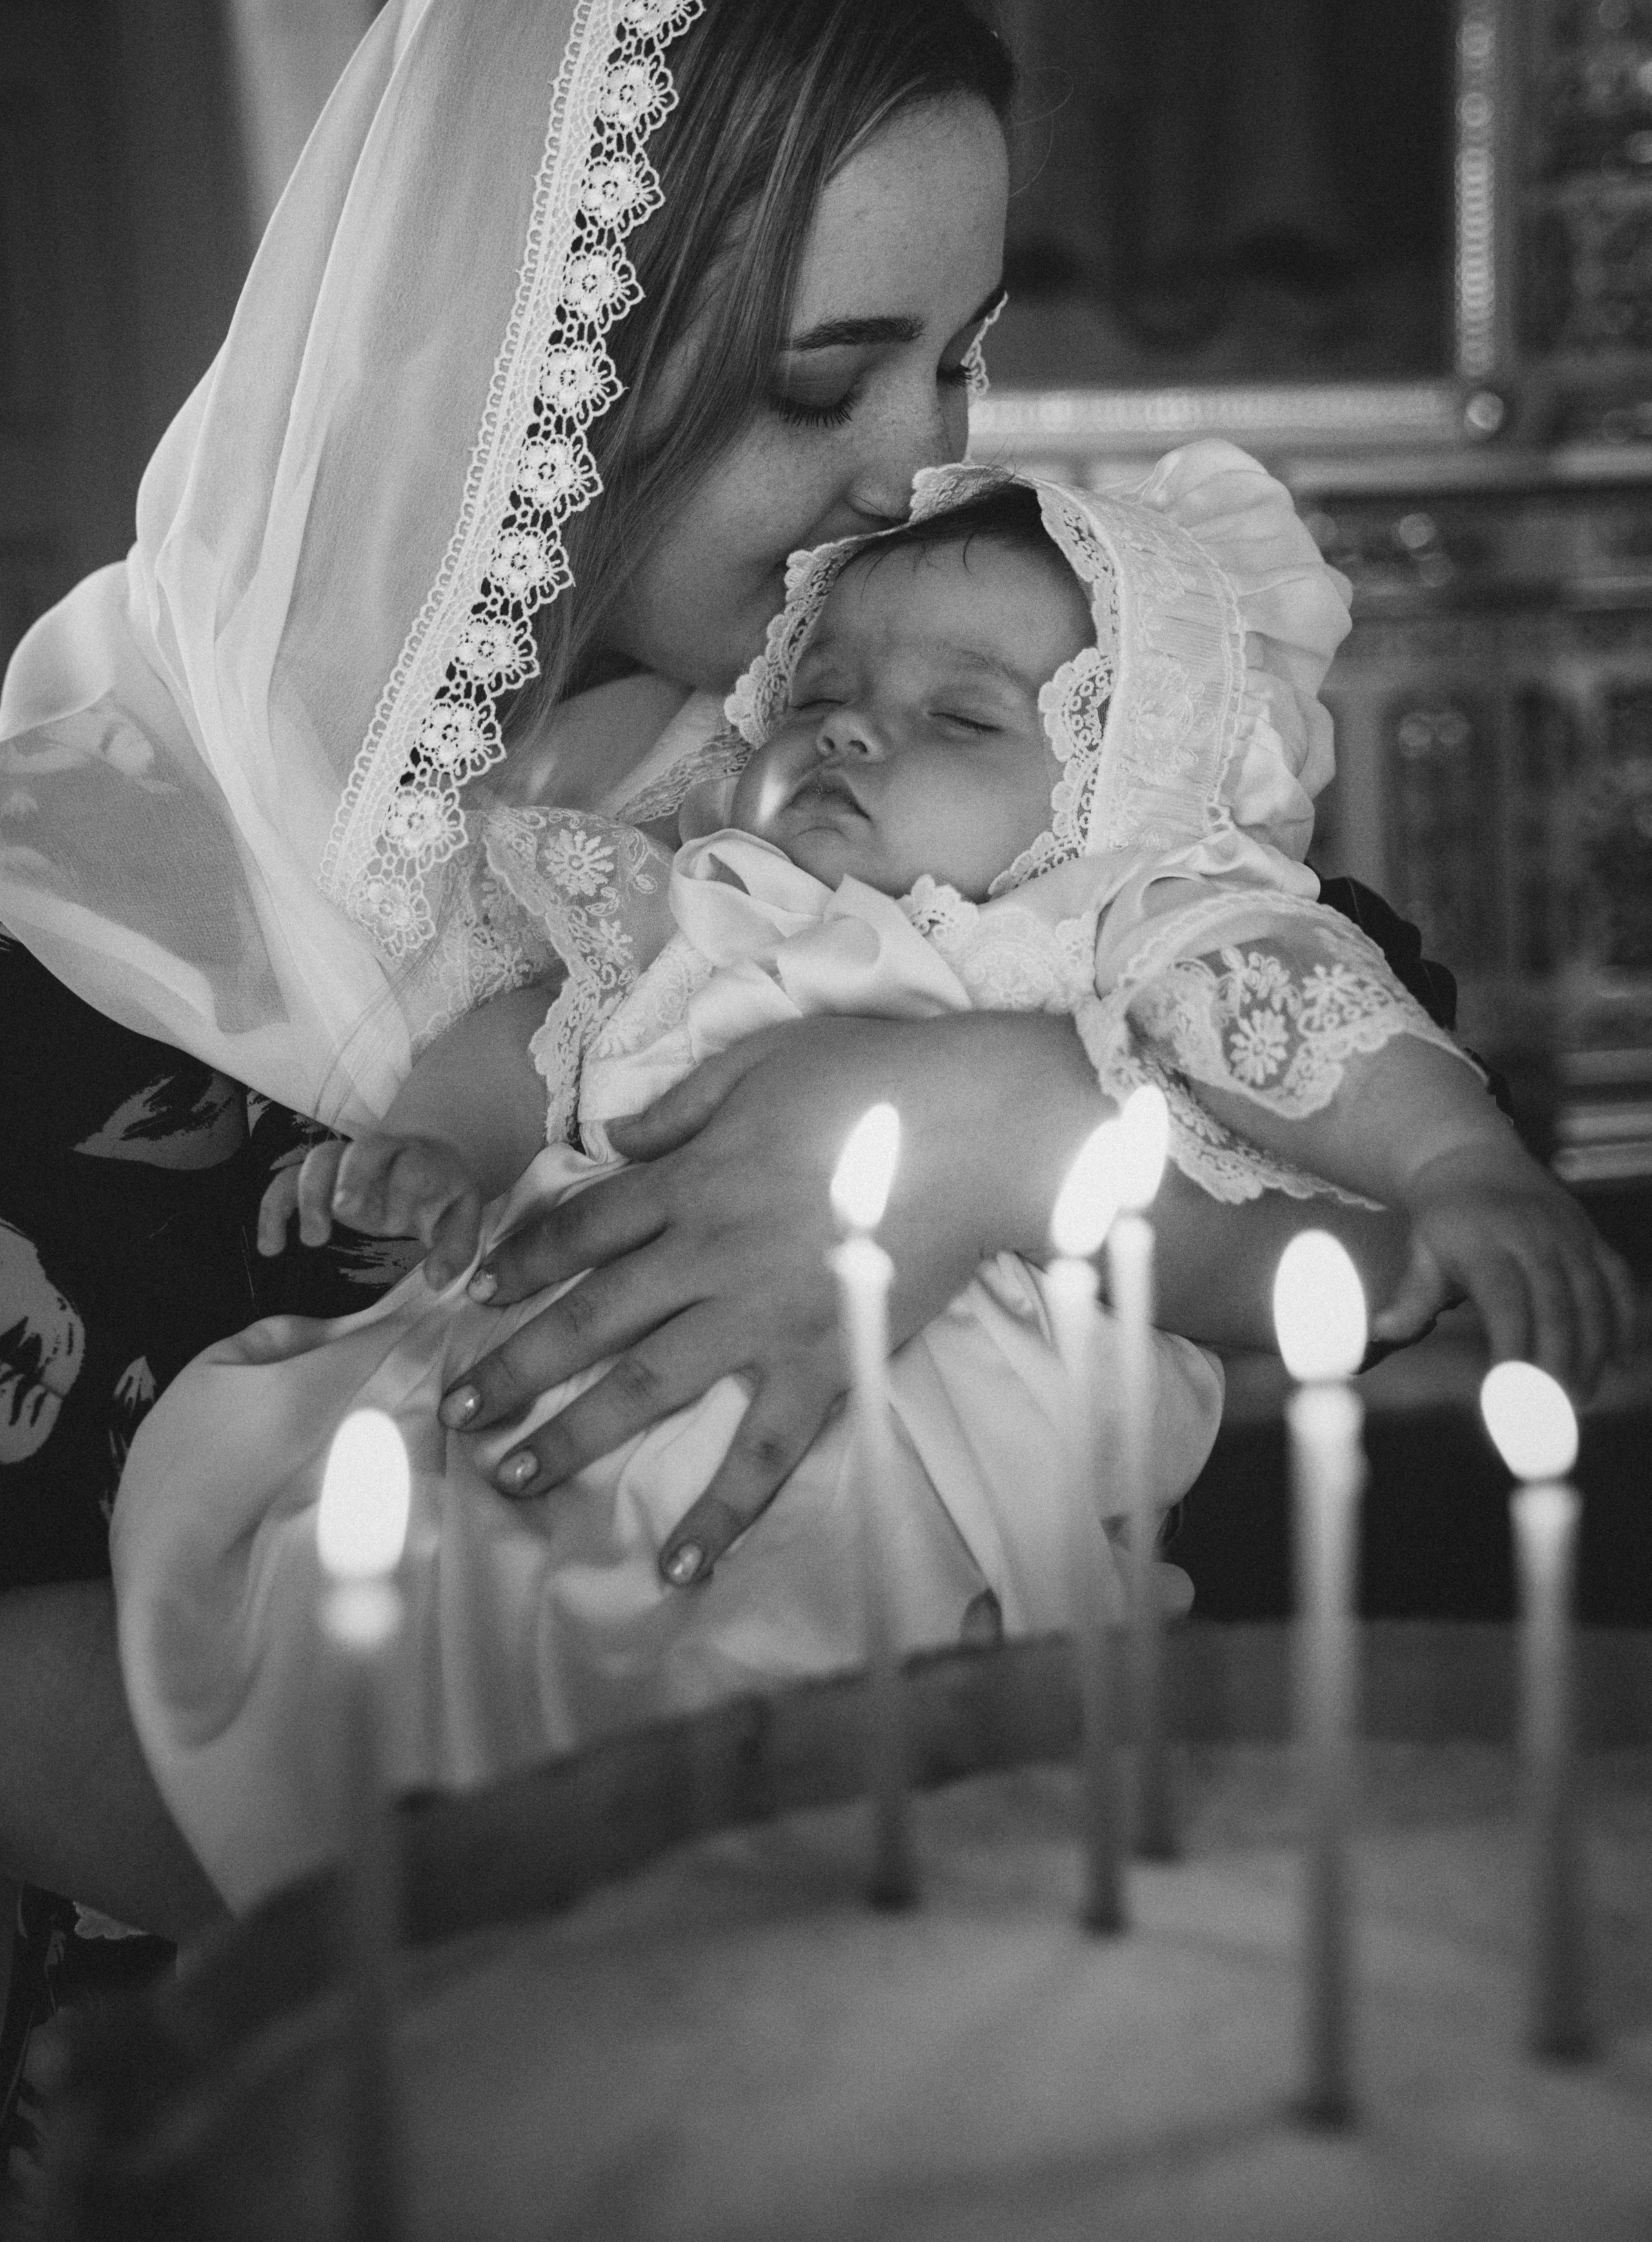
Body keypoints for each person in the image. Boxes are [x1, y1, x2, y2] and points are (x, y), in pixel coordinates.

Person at [0, 0, 1562, 1964]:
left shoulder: (851, 755)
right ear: (520, 355)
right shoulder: (58, 919)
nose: (914, 468)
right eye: (826, 379)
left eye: (962, 359)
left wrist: (992, 1116)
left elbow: (1371, 1078)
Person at [110, 462, 1631, 1908]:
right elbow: (530, 1039)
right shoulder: (699, 900)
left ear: (1115, 783)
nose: (845, 732)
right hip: (544, 1440)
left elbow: (1300, 1014)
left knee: (808, 1736)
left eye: (960, 717)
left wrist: (1454, 1162)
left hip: (896, 1517)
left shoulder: (1095, 939)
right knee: (355, 1591)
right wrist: (436, 1151)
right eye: (817, 693)